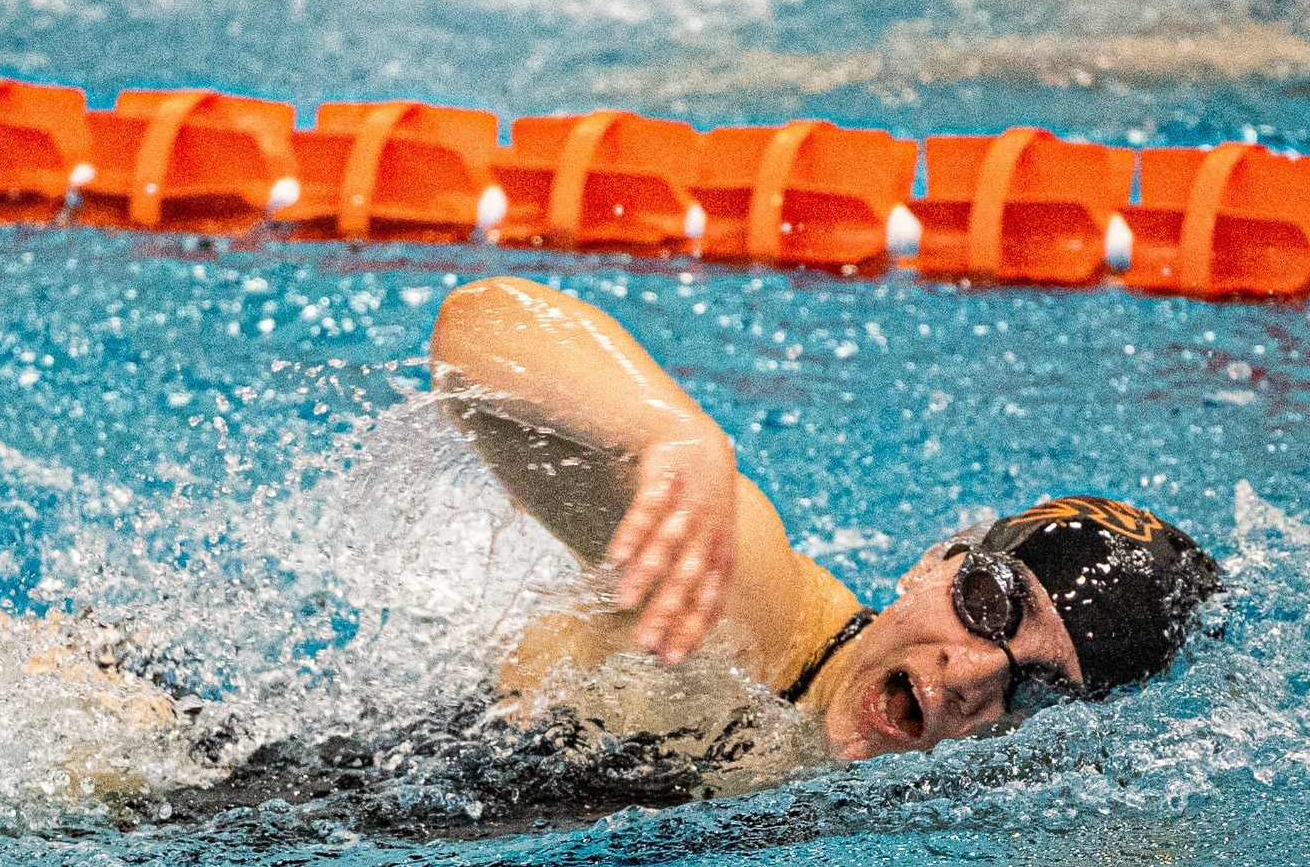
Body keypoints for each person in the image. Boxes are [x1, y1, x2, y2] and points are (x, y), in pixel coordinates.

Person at [430, 276, 1222, 761]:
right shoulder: (739, 603)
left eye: (1042, 687)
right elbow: (476, 325)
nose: (973, 675)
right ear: (934, 561)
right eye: (990, 603)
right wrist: (667, 430)